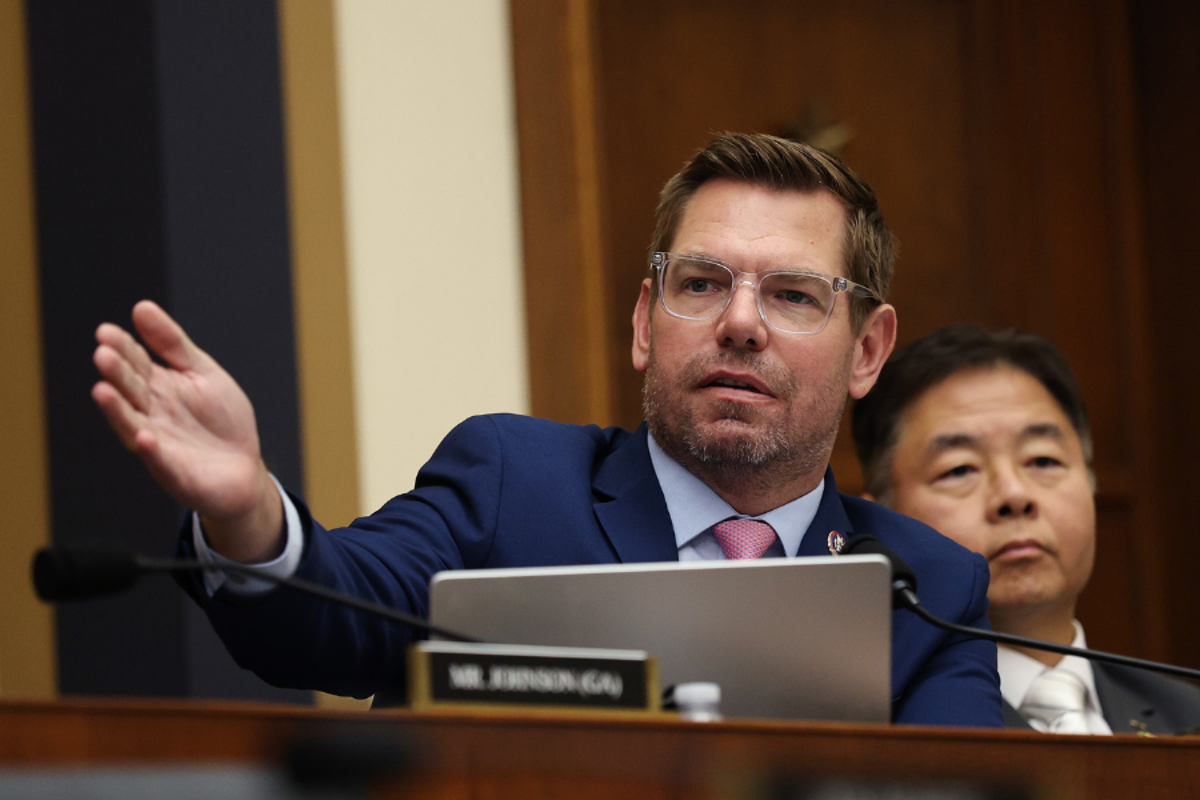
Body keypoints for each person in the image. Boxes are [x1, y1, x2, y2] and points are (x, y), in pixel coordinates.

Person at [92, 133, 1001, 725]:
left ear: (867, 351)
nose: (739, 324)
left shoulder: (929, 590)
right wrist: (248, 513)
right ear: (645, 323)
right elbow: (330, 618)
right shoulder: (512, 485)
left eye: (794, 296)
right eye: (700, 283)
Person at [852, 323, 1200, 734]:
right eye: (959, 469)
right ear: (883, 522)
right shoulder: (864, 732)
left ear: (1090, 483)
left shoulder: (1188, 721)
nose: (1014, 495)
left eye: (1042, 460)